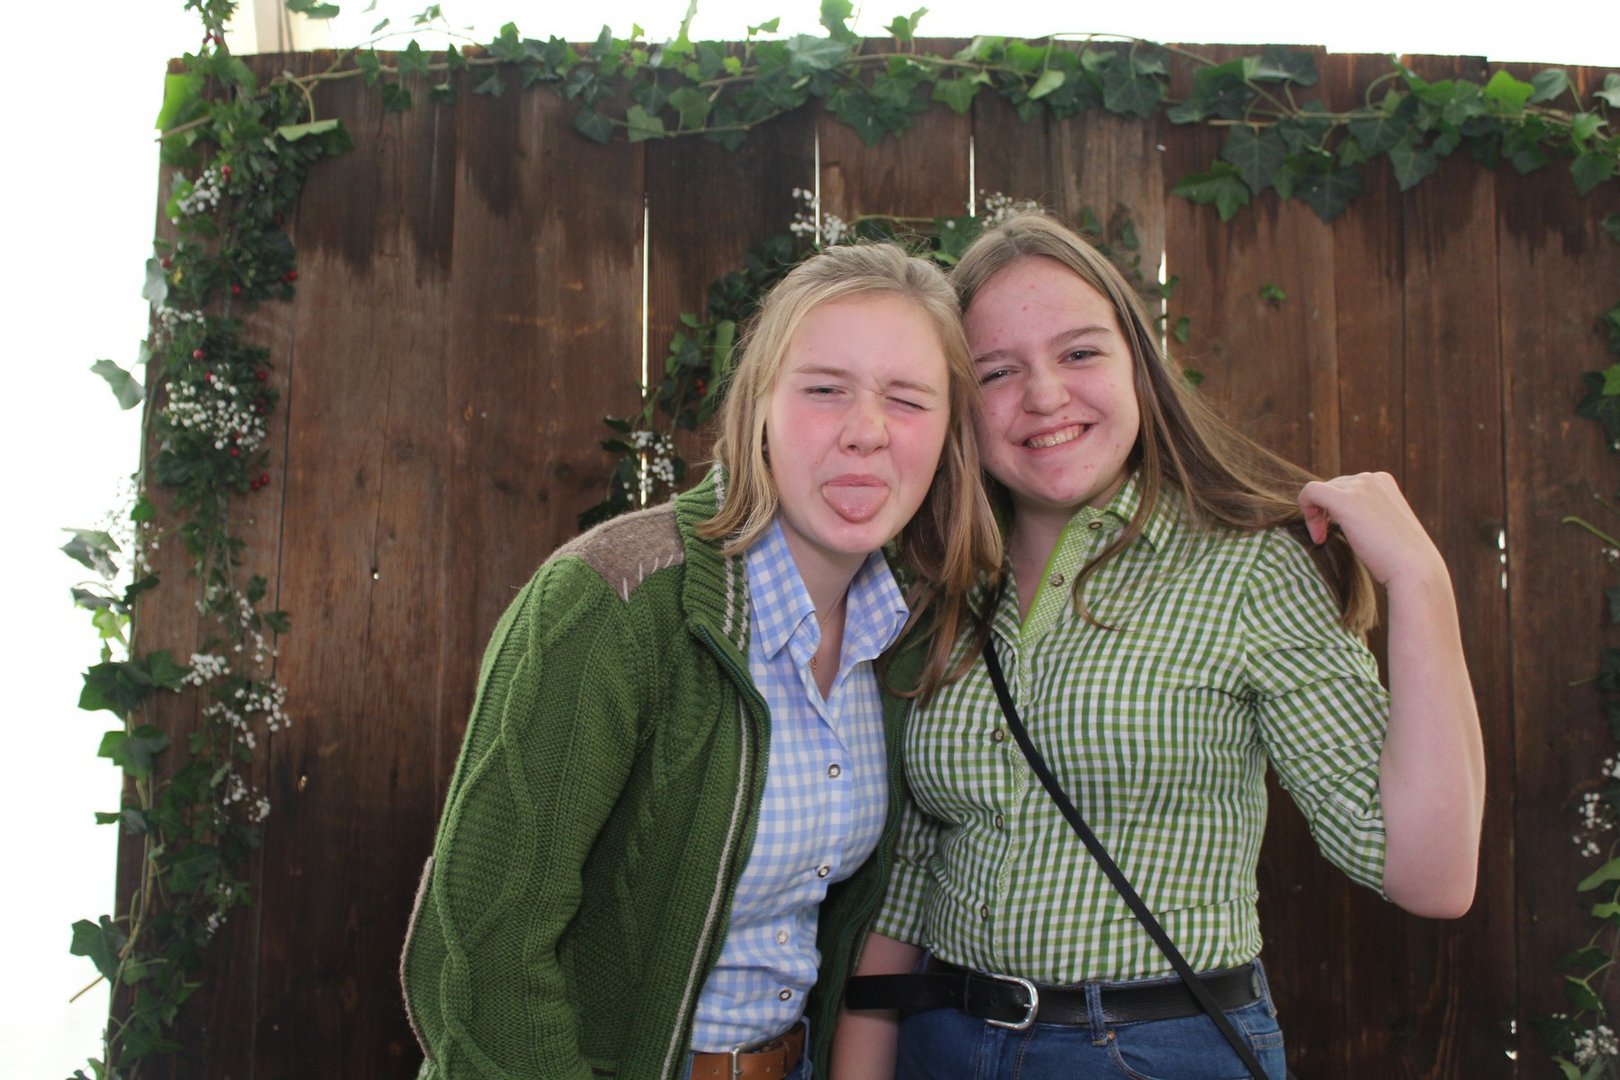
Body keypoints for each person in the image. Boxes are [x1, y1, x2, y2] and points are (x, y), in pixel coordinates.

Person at [831, 212, 1485, 1079]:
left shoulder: (1248, 571)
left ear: (1137, 365)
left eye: (1079, 353)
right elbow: (908, 880)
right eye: (997, 372)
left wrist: (1421, 580)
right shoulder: (935, 583)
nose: (1045, 396)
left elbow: (1431, 876)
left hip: (1149, 1051)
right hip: (942, 1042)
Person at [398, 240, 1000, 1080]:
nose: (867, 432)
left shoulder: (900, 633)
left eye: (907, 400)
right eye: (825, 389)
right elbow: (476, 954)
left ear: (948, 435)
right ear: (758, 406)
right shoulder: (614, 602)